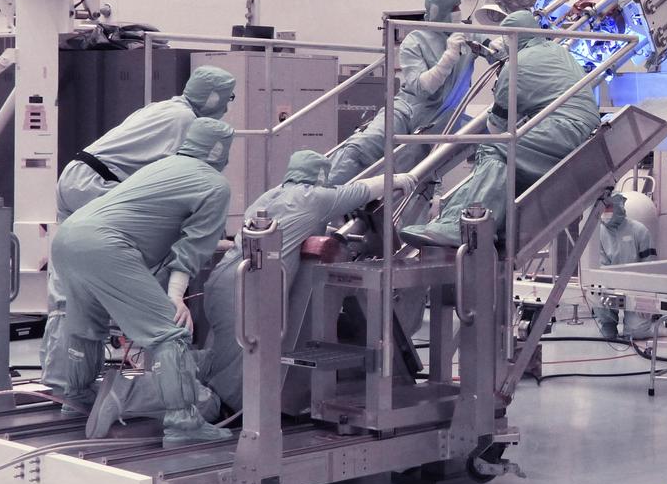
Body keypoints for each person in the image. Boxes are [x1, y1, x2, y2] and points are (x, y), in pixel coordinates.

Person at [41, 65, 237, 392]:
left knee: (71, 289)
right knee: (144, 262)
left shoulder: (161, 107)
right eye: (227, 99)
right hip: (102, 185)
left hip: (75, 178)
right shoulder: (187, 123)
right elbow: (182, 190)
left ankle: (64, 382)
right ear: (214, 98)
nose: (228, 108)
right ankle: (156, 365)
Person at [52, 118, 236, 448]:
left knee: (85, 327)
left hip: (69, 237)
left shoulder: (163, 165)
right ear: (220, 149)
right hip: (108, 245)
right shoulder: (214, 184)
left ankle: (77, 398)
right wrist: (176, 296)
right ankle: (183, 422)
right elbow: (192, 246)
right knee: (170, 332)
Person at [191, 150, 416, 414]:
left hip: (223, 277)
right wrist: (400, 178)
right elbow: (362, 190)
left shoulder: (270, 195)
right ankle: (228, 411)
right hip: (252, 289)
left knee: (222, 352)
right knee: (245, 359)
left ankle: (196, 394)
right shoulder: (314, 198)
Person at [401, 9, 600, 248]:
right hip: (584, 130)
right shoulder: (560, 51)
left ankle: (464, 227)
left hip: (562, 130)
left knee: (494, 150)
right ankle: (454, 220)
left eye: (504, 38)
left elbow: (496, 127)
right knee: (505, 160)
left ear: (512, 37)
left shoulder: (516, 64)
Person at [329, 0, 474, 185]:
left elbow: (499, 50)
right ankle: (318, 194)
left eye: (459, 6)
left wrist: (498, 45)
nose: (459, 11)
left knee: (414, 184)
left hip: (439, 120)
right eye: (453, 7)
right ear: (437, 10)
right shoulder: (415, 40)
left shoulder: (469, 34)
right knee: (363, 147)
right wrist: (449, 56)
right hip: (405, 111)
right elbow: (423, 88)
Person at [591, 193, 657, 340]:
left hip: (637, 287)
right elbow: (599, 266)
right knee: (597, 290)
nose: (605, 212)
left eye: (608, 207)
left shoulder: (639, 230)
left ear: (619, 207)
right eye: (603, 207)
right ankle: (608, 324)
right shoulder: (598, 232)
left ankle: (643, 325)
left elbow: (650, 266)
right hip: (610, 285)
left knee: (636, 333)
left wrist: (646, 296)